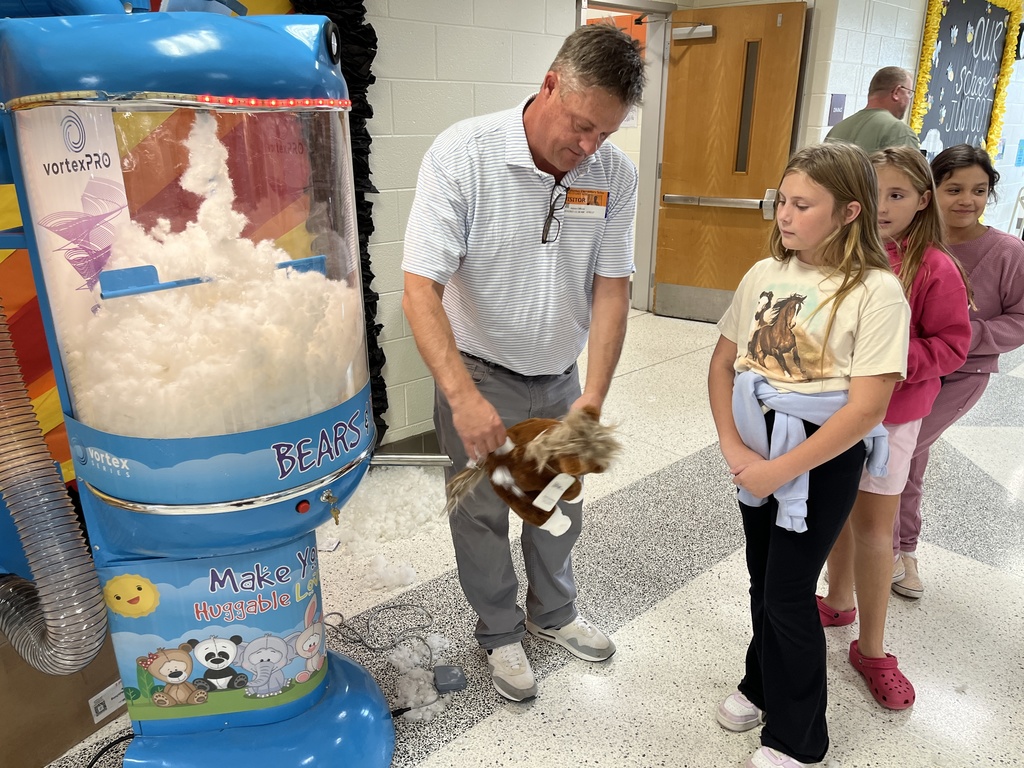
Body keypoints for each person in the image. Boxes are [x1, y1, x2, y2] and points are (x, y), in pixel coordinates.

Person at [401, 23, 645, 702]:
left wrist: (592, 395)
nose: (590, 146)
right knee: (482, 511)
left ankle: (554, 614)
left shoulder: (611, 174)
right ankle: (499, 630)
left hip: (559, 374)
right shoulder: (464, 153)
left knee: (559, 499)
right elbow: (419, 287)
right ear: (548, 85)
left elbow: (611, 287)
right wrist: (461, 397)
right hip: (478, 368)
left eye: (607, 132)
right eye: (581, 125)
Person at [708, 141, 910, 768]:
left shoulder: (876, 292)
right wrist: (733, 444)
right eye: (782, 202)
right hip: (756, 448)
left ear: (850, 212)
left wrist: (777, 469)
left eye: (803, 205)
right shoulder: (765, 274)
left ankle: (798, 739)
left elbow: (866, 408)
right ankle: (760, 682)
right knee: (762, 576)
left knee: (791, 587)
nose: (785, 216)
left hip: (820, 457)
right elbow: (723, 362)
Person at [818, 146, 971, 711]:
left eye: (897, 194)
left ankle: (873, 648)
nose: (883, 206)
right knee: (834, 509)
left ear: (922, 200)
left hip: (893, 417)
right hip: (831, 411)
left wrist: (888, 355)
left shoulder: (934, 266)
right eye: (873, 193)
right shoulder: (836, 253)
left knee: (875, 528)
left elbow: (954, 345)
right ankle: (837, 600)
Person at [893, 144, 1024, 598]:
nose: (967, 199)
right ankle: (897, 547)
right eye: (954, 189)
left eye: (979, 190)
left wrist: (966, 334)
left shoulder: (1008, 251)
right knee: (907, 455)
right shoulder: (912, 244)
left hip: (962, 375)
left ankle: (895, 548)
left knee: (902, 453)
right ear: (930, 192)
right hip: (907, 370)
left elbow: (1020, 319)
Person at [826, 66, 920, 153]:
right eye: (909, 93)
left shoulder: (836, 130)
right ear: (896, 92)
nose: (909, 99)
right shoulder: (899, 132)